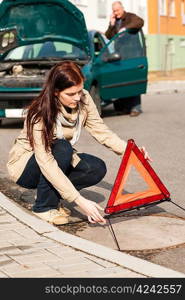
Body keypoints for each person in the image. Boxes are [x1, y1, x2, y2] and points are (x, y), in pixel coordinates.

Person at [7, 61, 150, 226]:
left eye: (79, 91)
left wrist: (131, 152)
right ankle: (43, 207)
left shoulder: (84, 99)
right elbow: (46, 161)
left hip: (58, 156)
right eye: (71, 94)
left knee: (95, 168)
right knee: (62, 147)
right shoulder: (39, 113)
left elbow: (101, 131)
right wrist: (80, 201)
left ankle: (49, 196)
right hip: (27, 166)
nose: (77, 97)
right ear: (55, 92)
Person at [105, 1, 144, 117]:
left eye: (117, 10)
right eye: (114, 11)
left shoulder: (131, 17)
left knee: (133, 81)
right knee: (123, 82)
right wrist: (111, 24)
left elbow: (140, 22)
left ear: (122, 9)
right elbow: (108, 36)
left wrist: (125, 28)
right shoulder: (115, 21)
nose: (115, 13)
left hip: (133, 55)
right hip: (120, 56)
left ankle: (136, 108)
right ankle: (125, 107)